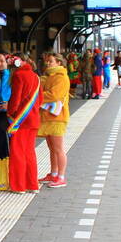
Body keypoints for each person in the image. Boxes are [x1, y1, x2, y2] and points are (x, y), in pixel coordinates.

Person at [6, 53, 41, 193]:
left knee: (17, 153)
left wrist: (10, 113)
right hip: (34, 119)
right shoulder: (36, 77)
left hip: (21, 121)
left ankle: (18, 186)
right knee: (29, 153)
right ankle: (32, 185)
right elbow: (40, 100)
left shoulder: (18, 75)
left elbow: (15, 100)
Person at [38, 53, 70, 188]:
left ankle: (61, 177)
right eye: (47, 61)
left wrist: (38, 96)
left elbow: (54, 95)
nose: (47, 63)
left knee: (58, 149)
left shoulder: (61, 77)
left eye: (50, 61)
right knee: (51, 148)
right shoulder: (47, 76)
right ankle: (53, 173)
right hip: (48, 116)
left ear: (59, 63)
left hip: (57, 117)